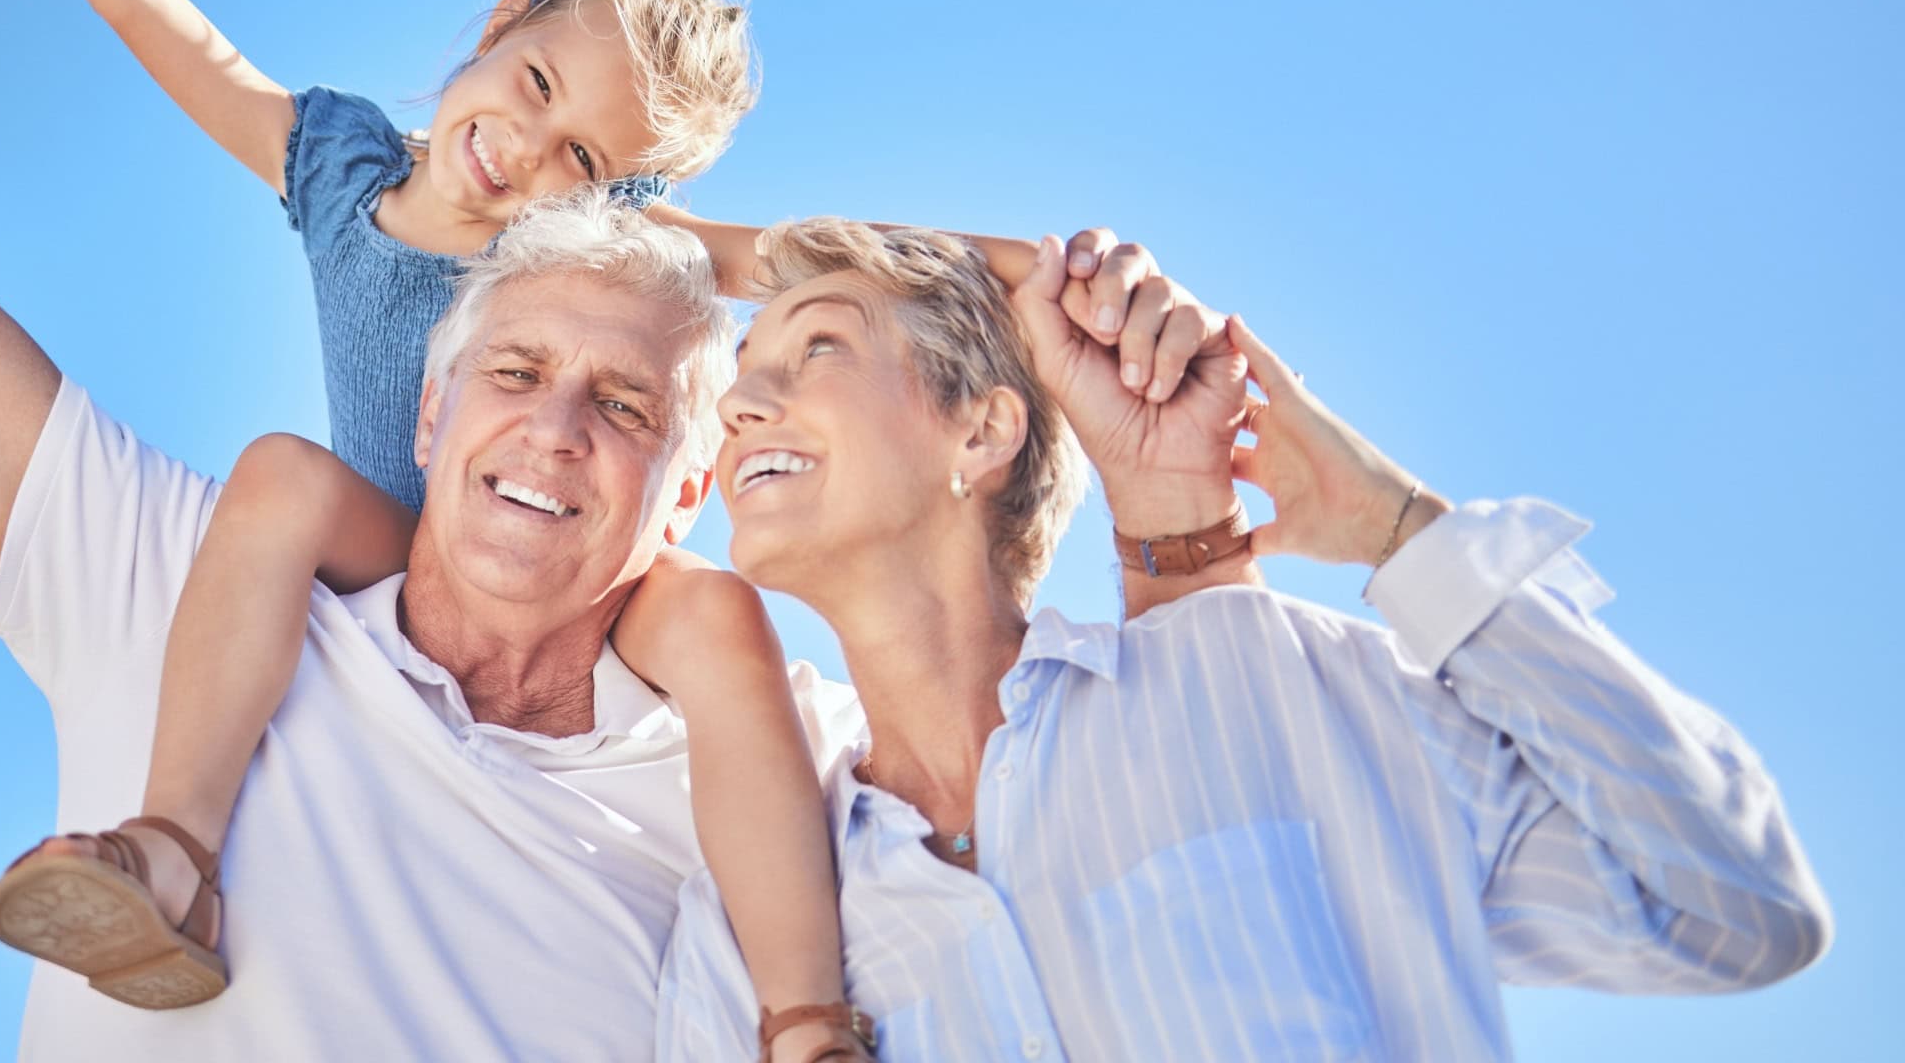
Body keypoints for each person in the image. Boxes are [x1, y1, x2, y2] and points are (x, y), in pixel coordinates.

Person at [0, 0, 1221, 1059]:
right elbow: (147, 13)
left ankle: (804, 1020)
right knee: (280, 482)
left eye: (586, 162)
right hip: (389, 550)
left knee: (714, 625)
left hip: (591, 606)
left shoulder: (602, 263)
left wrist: (1043, 275)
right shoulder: (333, 171)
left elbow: (829, 258)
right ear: (502, 21)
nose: (525, 158)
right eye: (530, 85)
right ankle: (174, 848)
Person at [655, 219, 1836, 1060]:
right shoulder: (761, 914)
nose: (740, 401)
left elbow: (1733, 906)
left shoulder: (1277, 690)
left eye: (813, 349)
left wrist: (1393, 525)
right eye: (743, 373)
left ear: (983, 433)